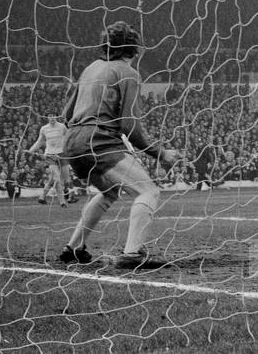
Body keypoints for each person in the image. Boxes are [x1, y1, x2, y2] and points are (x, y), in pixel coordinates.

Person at [58, 21, 183, 268]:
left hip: (72, 142)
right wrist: (160, 153)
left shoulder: (91, 68)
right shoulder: (128, 73)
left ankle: (73, 249)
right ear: (134, 49)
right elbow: (129, 125)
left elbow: (66, 113)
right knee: (148, 191)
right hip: (98, 140)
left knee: (108, 192)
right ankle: (132, 254)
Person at [26, 114, 75, 206]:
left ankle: (42, 197)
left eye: (54, 116)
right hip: (50, 155)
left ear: (56, 117)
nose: (52, 118)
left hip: (62, 154)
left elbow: (68, 138)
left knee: (65, 178)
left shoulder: (62, 127)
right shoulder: (44, 128)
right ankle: (62, 201)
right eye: (50, 116)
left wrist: (69, 149)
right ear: (47, 117)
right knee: (56, 178)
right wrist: (31, 150)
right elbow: (40, 141)